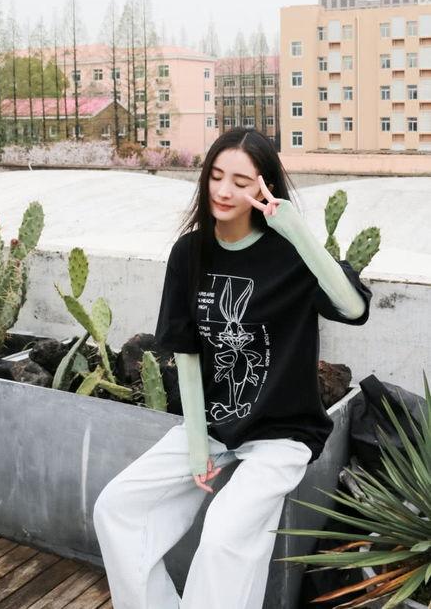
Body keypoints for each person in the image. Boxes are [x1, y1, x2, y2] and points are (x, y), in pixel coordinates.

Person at [93, 128, 372, 609]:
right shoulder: (189, 253)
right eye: (216, 176)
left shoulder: (291, 253)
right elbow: (186, 350)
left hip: (284, 430)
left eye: (241, 182)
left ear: (264, 188)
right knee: (118, 508)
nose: (224, 191)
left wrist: (296, 229)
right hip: (214, 424)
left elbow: (352, 308)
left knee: (225, 536)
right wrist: (196, 444)